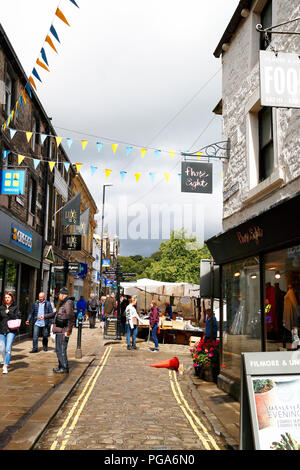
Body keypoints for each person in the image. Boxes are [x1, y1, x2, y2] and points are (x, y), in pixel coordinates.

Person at [52, 287, 75, 374]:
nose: (58, 297)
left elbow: (71, 317)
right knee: (58, 349)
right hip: (59, 329)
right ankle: (60, 366)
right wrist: (45, 316)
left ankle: (64, 367)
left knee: (61, 349)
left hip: (64, 330)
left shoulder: (68, 303)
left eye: (59, 295)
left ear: (62, 295)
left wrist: (68, 330)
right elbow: (57, 314)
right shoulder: (63, 303)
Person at [0, 291, 22, 374]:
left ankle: (5, 365)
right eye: (5, 298)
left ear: (12, 298)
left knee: (8, 348)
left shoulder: (15, 307)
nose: (7, 299)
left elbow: (18, 317)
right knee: (2, 348)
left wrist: (9, 312)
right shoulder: (1, 307)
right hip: (2, 330)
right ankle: (4, 360)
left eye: (8, 297)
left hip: (11, 331)